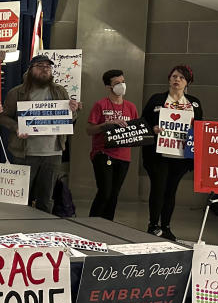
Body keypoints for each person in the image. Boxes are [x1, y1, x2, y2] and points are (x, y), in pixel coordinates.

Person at [0, 54, 81, 212]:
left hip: (53, 152)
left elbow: (69, 119)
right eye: (40, 66)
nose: (45, 70)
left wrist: (73, 110)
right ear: (31, 70)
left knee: (46, 198)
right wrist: (17, 127)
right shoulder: (16, 92)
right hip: (24, 153)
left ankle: (43, 228)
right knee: (21, 197)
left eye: (48, 67)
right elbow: (3, 117)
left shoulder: (60, 91)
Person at [141, 65, 203, 240]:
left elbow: (199, 129)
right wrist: (152, 128)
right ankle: (153, 225)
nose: (177, 80)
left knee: (171, 191)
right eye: (174, 76)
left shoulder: (194, 103)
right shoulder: (157, 99)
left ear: (188, 82)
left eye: (182, 78)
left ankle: (166, 226)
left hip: (181, 156)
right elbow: (143, 122)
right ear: (169, 79)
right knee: (158, 188)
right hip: (158, 155)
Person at [85, 69, 139, 220]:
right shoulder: (100, 105)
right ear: (108, 87)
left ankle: (108, 224)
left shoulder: (131, 107)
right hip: (103, 153)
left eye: (123, 82)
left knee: (114, 194)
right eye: (117, 83)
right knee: (105, 192)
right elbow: (89, 130)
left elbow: (135, 129)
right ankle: (93, 222)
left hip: (123, 156)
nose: (121, 85)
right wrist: (106, 124)